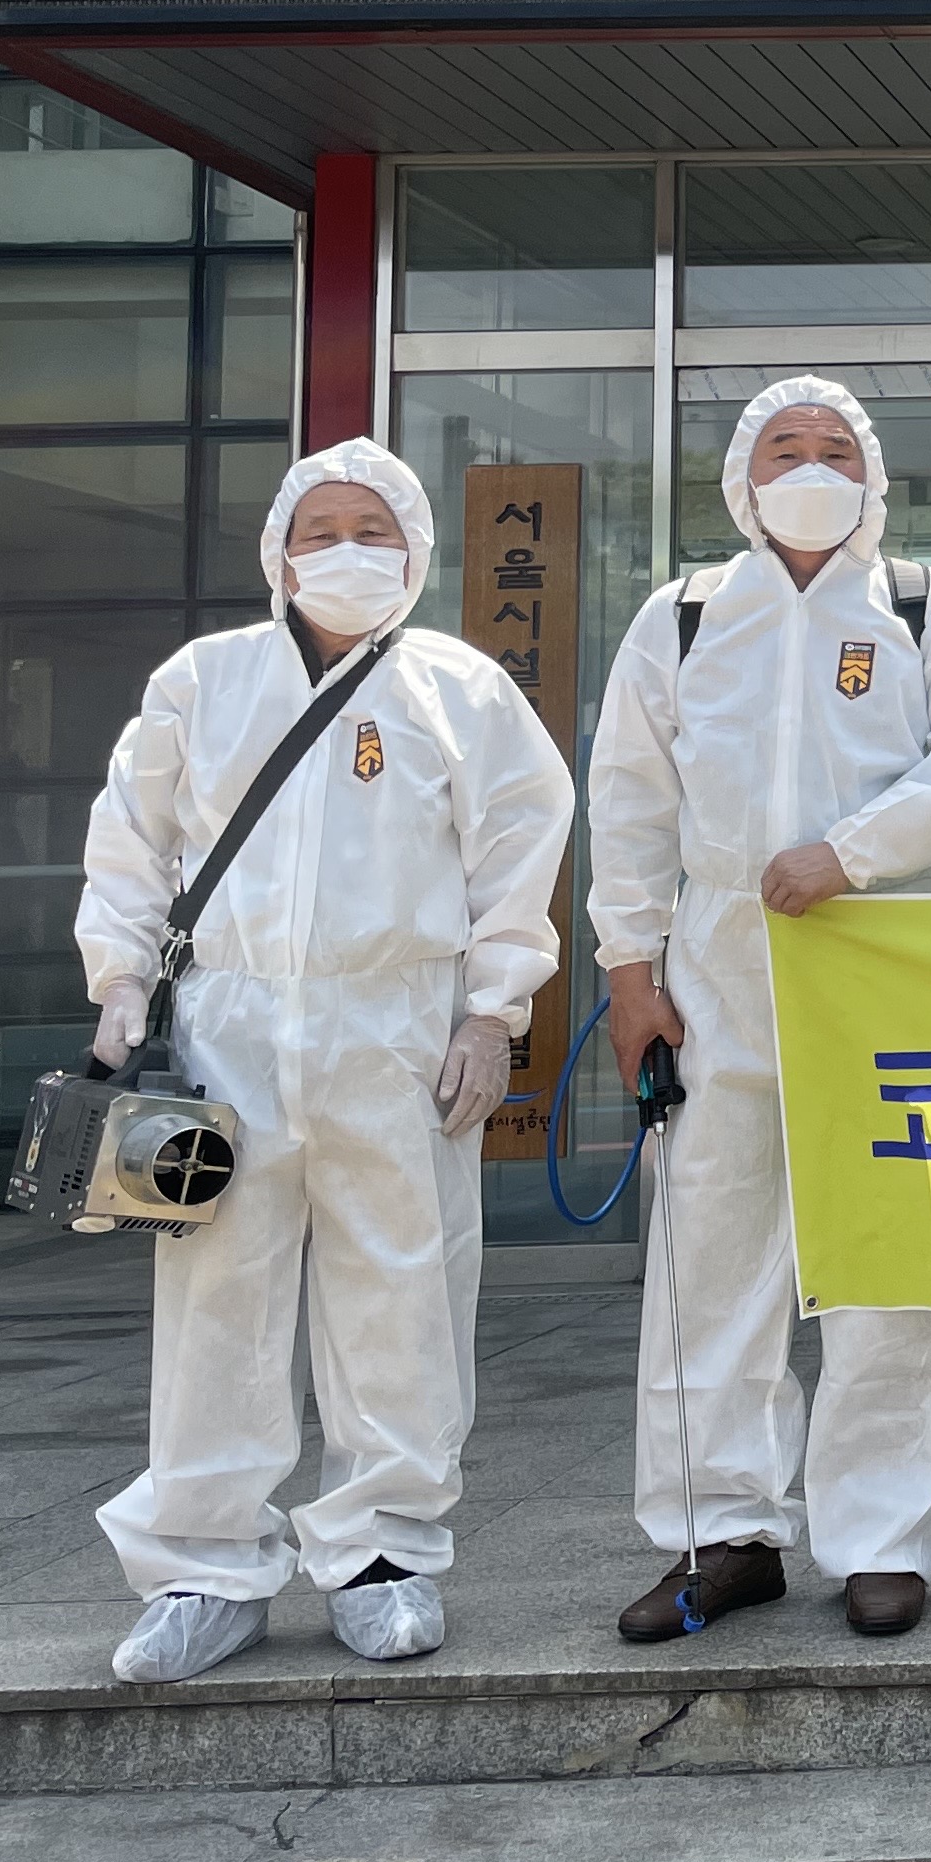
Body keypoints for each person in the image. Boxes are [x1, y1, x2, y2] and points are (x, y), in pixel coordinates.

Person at [78, 440, 574, 1683]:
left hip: (398, 1023)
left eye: (372, 529)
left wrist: (491, 1015)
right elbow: (132, 835)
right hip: (226, 1027)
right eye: (320, 529)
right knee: (214, 1295)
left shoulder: (459, 688)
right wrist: (121, 976)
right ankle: (204, 1566)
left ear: (415, 551)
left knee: (401, 1289)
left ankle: (383, 1552)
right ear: (279, 552)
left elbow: (520, 852)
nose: (346, 550)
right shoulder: (205, 679)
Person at [589, 378, 931, 1642]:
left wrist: (854, 851)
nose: (813, 468)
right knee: (713, 1256)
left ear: (873, 478)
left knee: (896, 1254)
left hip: (888, 953)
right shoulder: (682, 616)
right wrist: (629, 970)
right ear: (743, 477)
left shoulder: (924, 607)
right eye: (786, 449)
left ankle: (885, 1539)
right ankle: (721, 1534)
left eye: (838, 449)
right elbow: (630, 797)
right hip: (719, 960)